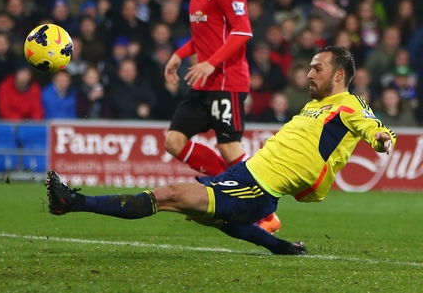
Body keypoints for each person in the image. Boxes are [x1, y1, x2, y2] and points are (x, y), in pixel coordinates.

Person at [47, 46, 396, 256]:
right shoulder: (313, 107)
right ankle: (281, 246)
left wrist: (383, 138)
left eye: (317, 68)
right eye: (309, 67)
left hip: (259, 187)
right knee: (219, 220)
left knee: (168, 195)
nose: (308, 74)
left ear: (339, 75)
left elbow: (372, 125)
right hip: (244, 175)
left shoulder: (349, 103)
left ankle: (74, 202)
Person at [161, 0, 282, 234]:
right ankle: (224, 188)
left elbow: (243, 32)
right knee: (174, 142)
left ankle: (264, 212)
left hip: (227, 81)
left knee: (230, 149)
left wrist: (209, 63)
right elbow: (203, 35)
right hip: (204, 82)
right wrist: (179, 54)